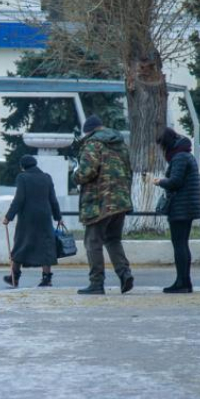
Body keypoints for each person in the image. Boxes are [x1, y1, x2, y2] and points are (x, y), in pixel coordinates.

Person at [73, 115, 134, 295]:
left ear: (89, 131)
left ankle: (96, 283)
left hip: (100, 201)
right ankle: (125, 274)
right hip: (120, 201)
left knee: (92, 242)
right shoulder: (121, 145)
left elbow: (86, 172)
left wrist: (74, 175)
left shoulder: (93, 144)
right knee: (113, 239)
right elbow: (129, 171)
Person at [153, 128, 200, 293]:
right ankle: (184, 281)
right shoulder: (185, 154)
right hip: (186, 206)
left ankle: (182, 283)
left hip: (181, 207)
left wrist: (159, 181)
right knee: (182, 244)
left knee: (180, 245)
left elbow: (175, 182)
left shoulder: (180, 157)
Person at [2, 155, 64, 288]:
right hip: (44, 217)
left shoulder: (22, 177)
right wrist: (58, 217)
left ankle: (15, 277)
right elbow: (53, 199)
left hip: (27, 218)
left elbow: (19, 199)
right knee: (46, 246)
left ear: (22, 166)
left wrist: (8, 216)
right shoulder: (46, 177)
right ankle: (47, 279)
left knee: (21, 244)